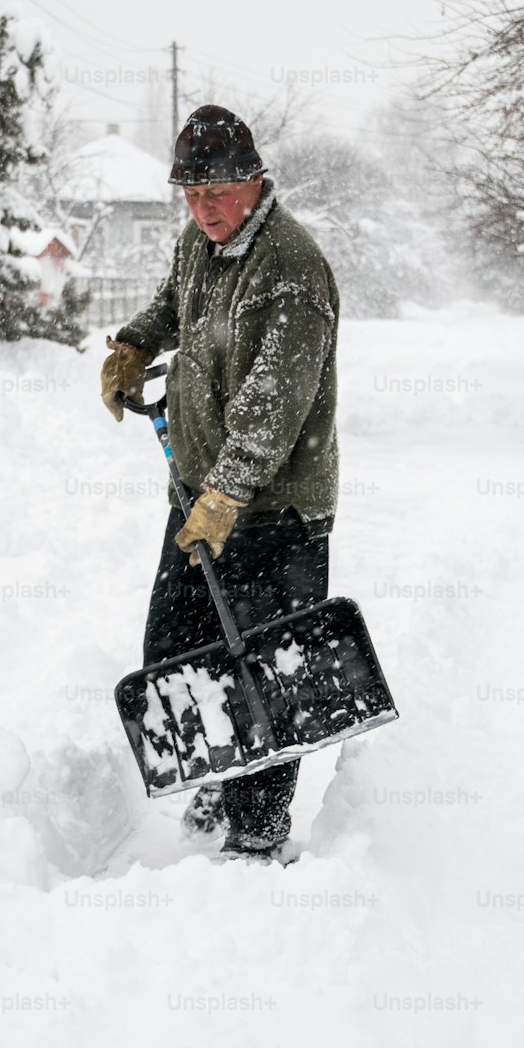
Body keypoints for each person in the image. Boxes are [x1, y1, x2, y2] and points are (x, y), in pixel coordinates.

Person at [100, 105, 340, 862]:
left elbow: (275, 404)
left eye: (217, 193)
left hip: (273, 511)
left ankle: (260, 833)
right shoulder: (203, 243)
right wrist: (136, 343)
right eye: (191, 194)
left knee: (267, 671)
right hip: (200, 495)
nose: (203, 208)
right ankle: (217, 776)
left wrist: (226, 494)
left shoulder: (290, 269)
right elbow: (177, 302)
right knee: (178, 648)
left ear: (255, 181)